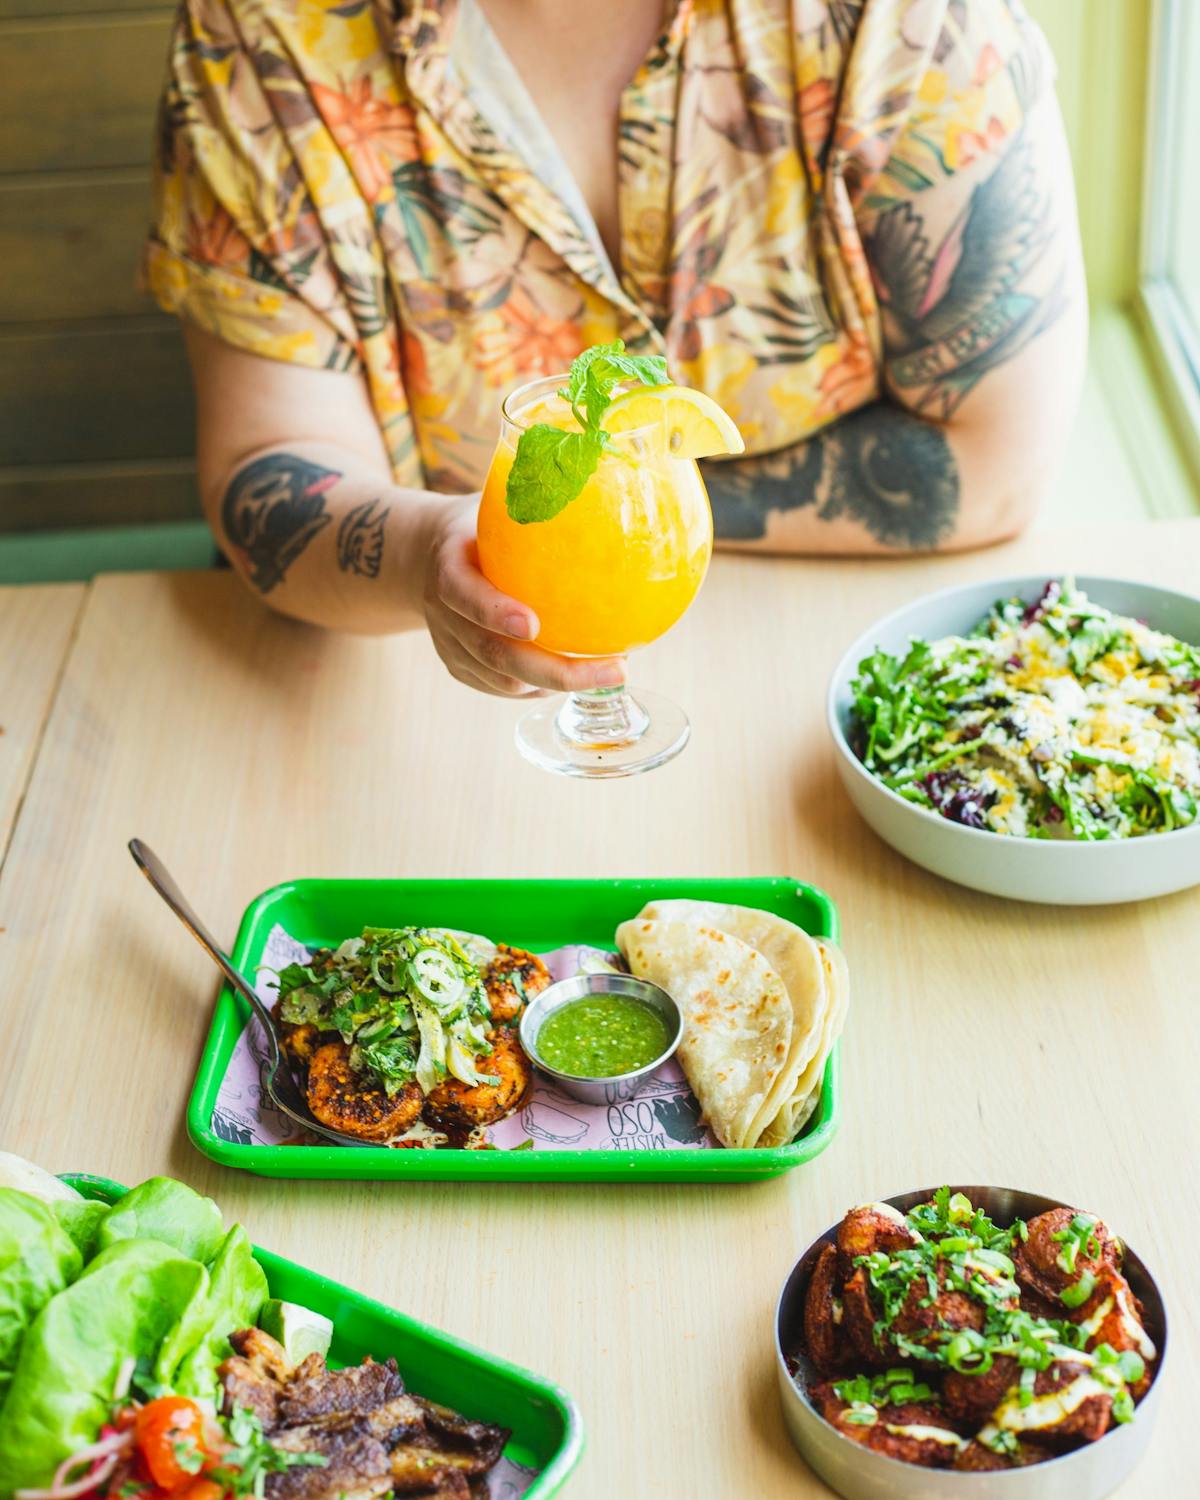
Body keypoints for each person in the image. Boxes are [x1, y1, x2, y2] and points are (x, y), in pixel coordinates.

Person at [146, 0, 1086, 698]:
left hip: (840, 667)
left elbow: (997, 463)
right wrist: (430, 550)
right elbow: (268, 467)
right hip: (415, 697)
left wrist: (630, 511)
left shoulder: (905, 22)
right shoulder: (256, 32)